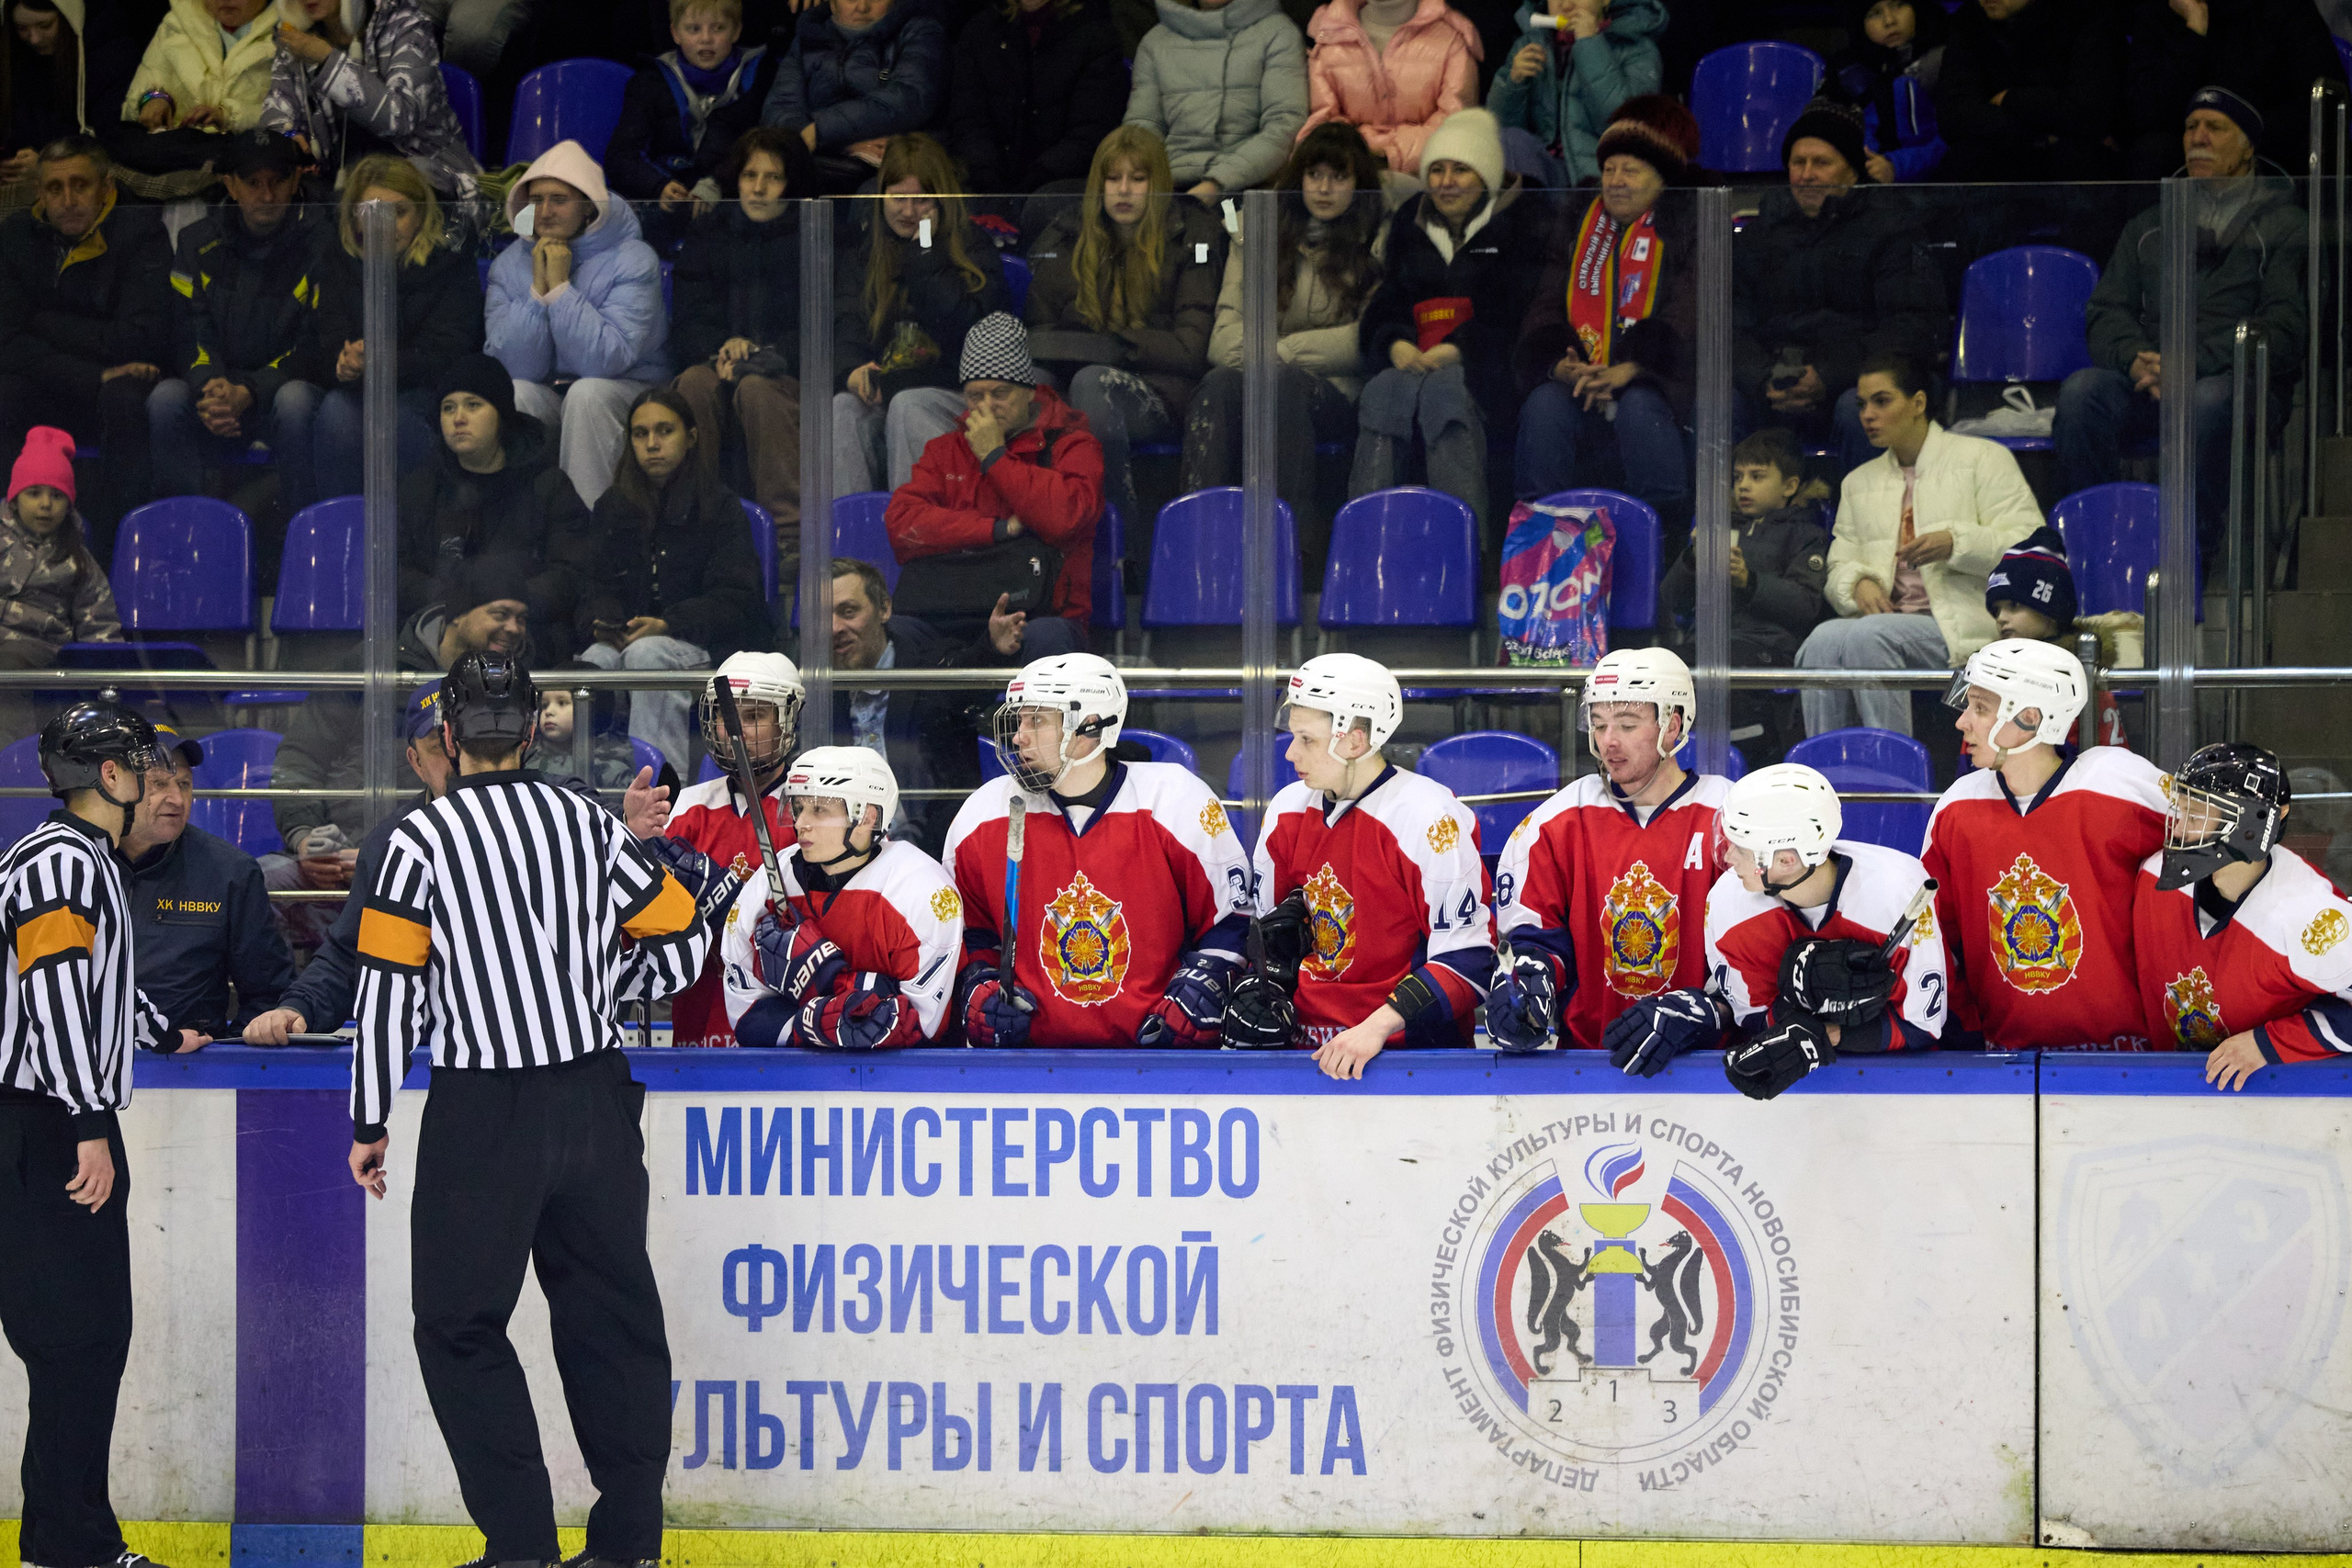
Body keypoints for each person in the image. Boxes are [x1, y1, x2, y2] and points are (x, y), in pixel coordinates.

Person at [347, 655, 706, 1568]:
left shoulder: (418, 843)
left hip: (485, 1111)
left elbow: (388, 993)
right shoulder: (588, 825)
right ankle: (627, 1544)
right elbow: (681, 942)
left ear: (453, 735)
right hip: (594, 1097)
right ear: (533, 725)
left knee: (460, 1325)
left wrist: (369, 1118)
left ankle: (520, 1546)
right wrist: (607, 981)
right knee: (613, 1321)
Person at [1, 703, 202, 1568]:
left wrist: (160, 1031)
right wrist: (87, 1121)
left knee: (84, 1342)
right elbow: (52, 995)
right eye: (138, 768)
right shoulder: (61, 863)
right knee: (77, 1341)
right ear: (110, 778)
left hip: (54, 1116)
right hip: (45, 1121)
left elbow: (92, 985)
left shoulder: (80, 861)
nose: (147, 783)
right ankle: (67, 1543)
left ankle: (69, 1536)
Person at [943, 652, 1255, 1047]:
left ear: (1090, 727)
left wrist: (1199, 989)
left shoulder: (1176, 801)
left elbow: (1231, 923)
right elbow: (969, 935)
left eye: (1036, 721)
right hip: (1028, 1069)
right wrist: (980, 984)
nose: (1018, 736)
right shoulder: (983, 815)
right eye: (1019, 720)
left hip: (1157, 1066)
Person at [2054, 86, 2305, 564]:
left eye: (2215, 127)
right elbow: (2106, 310)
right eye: (2191, 127)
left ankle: (2192, 551)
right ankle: (2093, 546)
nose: (2198, 138)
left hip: (2236, 386)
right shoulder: (2149, 223)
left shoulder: (2286, 225)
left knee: (2207, 401)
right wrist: (2135, 359)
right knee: (2082, 392)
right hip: (2150, 382)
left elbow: (2286, 327)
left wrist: (2191, 365)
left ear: (2248, 146)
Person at [1229, 654, 1494, 1077]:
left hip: (1408, 1061)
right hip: (1306, 1055)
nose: (1291, 752)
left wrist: (1375, 1028)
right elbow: (1264, 934)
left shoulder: (1428, 817)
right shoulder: (1288, 809)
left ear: (1354, 741)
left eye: (1307, 739)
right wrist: (1260, 992)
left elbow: (1470, 959)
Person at [1921, 637, 2167, 1050]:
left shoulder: (2119, 785)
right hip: (2003, 1058)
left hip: (2129, 1059)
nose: (1962, 722)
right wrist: (1965, 1031)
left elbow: (2216, 853)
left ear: (2030, 719)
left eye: (1980, 708)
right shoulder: (1956, 807)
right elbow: (1931, 937)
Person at [1486, 647, 1731, 1053]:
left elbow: (1758, 953)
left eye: (1628, 724)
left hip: (1711, 1068)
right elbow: (1534, 938)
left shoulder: (1730, 817)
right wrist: (1527, 982)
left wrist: (1708, 1012)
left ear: (1673, 726)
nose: (1608, 742)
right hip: (1588, 1063)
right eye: (1599, 725)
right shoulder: (1558, 820)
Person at [1797, 351, 2041, 739]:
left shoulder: (1984, 458)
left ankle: (1893, 777)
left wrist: (1955, 543)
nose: (1867, 415)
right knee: (1820, 642)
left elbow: (2030, 549)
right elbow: (1838, 564)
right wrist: (1857, 584)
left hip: (1968, 622)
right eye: (1862, 405)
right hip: (1889, 625)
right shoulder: (1858, 481)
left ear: (1919, 403)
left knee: (1867, 637)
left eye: (1882, 401)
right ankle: (1825, 772)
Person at [1183, 120, 1382, 575]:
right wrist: (1269, 357)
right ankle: (1199, 551)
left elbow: (1364, 339)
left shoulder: (1377, 238)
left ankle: (1288, 556)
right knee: (1215, 385)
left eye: (1339, 176)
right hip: (1258, 374)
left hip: (1336, 391)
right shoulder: (1254, 231)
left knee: (1286, 382)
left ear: (1360, 183)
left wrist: (1283, 353)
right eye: (1315, 175)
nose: (1325, 188)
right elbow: (1221, 336)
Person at [1691, 762, 1947, 1099]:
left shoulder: (1899, 892)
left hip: (1897, 1096)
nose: (1727, 855)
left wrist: (1821, 1031)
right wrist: (1812, 1024)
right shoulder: (1728, 904)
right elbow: (1753, 1018)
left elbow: (1921, 1026)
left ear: (1785, 861)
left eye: (1740, 846)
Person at [1730, 97, 1949, 476]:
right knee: (1718, 405)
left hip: (1853, 381)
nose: (1807, 174)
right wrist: (1763, 377)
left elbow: (1911, 327)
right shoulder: (1758, 235)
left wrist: (1829, 376)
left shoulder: (1894, 227)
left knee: (1863, 406)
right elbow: (1731, 325)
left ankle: (1874, 526)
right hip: (1774, 388)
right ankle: (1713, 524)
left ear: (1852, 171)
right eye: (1798, 163)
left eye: (1822, 162)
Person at [1023, 125, 1219, 540]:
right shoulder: (1065, 235)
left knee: (1093, 383)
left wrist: (1115, 348)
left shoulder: (1193, 236)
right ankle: (1028, 540)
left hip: (1160, 392)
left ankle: (1113, 539)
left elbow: (1191, 347)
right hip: (1076, 379)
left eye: (1138, 179)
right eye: (1113, 179)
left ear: (1159, 183)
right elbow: (1038, 334)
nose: (1124, 190)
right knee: (1030, 387)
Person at [1511, 95, 1697, 532]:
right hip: (1584, 377)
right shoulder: (1578, 219)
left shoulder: (1684, 222)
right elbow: (1545, 304)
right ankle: (1541, 543)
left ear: (1662, 179)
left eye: (1630, 170)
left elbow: (1689, 310)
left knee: (1639, 407)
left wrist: (1632, 366)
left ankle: (1664, 545)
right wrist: (1560, 364)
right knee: (1544, 406)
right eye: (1609, 169)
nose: (1614, 181)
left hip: (1655, 378)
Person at [1352, 107, 1536, 535]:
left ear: (1486, 176)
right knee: (1381, 389)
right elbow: (1388, 298)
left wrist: (1460, 348)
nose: (1446, 182)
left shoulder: (1519, 222)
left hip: (1488, 372)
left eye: (1460, 170)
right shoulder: (1410, 220)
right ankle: (1366, 536)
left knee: (1446, 390)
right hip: (1415, 364)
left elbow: (1517, 310)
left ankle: (1465, 544)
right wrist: (1393, 342)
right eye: (1436, 170)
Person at [271, 552, 532, 849]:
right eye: (500, 614)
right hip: (346, 843)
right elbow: (301, 757)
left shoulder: (522, 683)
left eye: (521, 619)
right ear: (458, 615)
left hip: (469, 851)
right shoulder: (375, 665)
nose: (514, 628)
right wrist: (305, 834)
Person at [576, 387, 768, 776]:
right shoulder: (612, 506)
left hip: (706, 646)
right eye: (640, 433)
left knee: (649, 657)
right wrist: (605, 621)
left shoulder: (720, 506)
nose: (652, 444)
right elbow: (592, 587)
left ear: (691, 437)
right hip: (630, 643)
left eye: (665, 431)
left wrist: (668, 624)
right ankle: (590, 790)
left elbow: (738, 600)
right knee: (595, 661)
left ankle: (664, 793)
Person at [2133, 744, 2352, 1083]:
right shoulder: (2154, 877)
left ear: (2251, 824)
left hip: (2282, 1105)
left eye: (2195, 816)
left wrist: (2268, 1045)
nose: (2176, 829)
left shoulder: (2308, 914)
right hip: (2168, 1091)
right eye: (2179, 811)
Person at [718, 746, 964, 1047]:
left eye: (819, 809)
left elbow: (921, 1026)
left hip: (902, 1089)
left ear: (867, 817)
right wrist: (848, 1008)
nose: (800, 823)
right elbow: (746, 1016)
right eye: (798, 808)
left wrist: (822, 978)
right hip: (790, 1086)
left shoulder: (921, 890)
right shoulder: (771, 882)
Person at [887, 311, 1103, 653]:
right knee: (895, 634)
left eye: (1000, 393)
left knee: (1048, 637)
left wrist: (995, 456)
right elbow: (902, 525)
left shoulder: (1073, 444)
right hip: (953, 611)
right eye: (975, 396)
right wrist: (997, 530)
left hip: (1040, 614)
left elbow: (1066, 520)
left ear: (1029, 391)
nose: (987, 407)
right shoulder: (945, 451)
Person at [247, 680, 449, 1043]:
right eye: (438, 746)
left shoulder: (546, 819)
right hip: (426, 1045)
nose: (454, 759)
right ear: (415, 762)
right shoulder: (393, 839)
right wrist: (297, 1007)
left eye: (461, 743)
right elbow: (350, 952)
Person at [147, 128, 330, 515]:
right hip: (218, 395)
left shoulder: (322, 243)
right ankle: (187, 534)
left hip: (277, 395)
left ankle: (299, 535)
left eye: (278, 181)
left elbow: (316, 343)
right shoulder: (196, 241)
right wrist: (210, 388)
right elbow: (187, 329)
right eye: (253, 183)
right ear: (230, 185)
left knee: (295, 401)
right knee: (166, 400)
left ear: (296, 180)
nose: (266, 195)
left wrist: (249, 390)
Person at [0, 135, 167, 549]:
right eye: (55, 188)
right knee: (6, 391)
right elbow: (7, 341)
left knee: (124, 396)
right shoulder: (17, 233)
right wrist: (95, 373)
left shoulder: (141, 231)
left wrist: (42, 322)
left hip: (113, 391)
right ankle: (12, 552)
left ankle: (120, 551)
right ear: (40, 193)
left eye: (81, 185)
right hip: (61, 381)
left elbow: (137, 337)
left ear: (106, 187)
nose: (68, 198)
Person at [485, 139, 670, 509]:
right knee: (515, 394)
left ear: (587, 205)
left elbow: (605, 361)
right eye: (536, 200)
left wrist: (562, 290)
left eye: (559, 199)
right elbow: (513, 368)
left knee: (588, 395)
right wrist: (538, 292)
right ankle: (518, 530)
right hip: (552, 390)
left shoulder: (634, 259)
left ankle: (587, 533)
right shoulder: (509, 264)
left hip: (628, 389)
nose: (546, 211)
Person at [831, 133, 1011, 495]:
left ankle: (919, 533)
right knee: (843, 409)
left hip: (955, 394)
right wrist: (850, 371)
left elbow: (968, 336)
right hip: (889, 387)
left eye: (922, 199)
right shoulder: (866, 253)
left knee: (907, 405)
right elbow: (846, 322)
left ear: (942, 200)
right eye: (898, 197)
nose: (909, 211)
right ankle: (849, 543)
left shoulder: (973, 246)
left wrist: (926, 252)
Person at [670, 127, 811, 574]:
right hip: (719, 364)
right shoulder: (710, 234)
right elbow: (687, 321)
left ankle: (790, 539)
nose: (758, 187)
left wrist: (762, 352)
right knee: (692, 384)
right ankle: (692, 522)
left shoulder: (816, 233)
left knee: (756, 390)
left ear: (792, 184)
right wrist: (720, 351)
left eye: (773, 177)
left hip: (787, 374)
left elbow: (824, 325)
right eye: (750, 175)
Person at [307, 153, 485, 500]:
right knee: (335, 414)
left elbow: (450, 352)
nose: (384, 226)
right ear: (355, 219)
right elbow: (324, 341)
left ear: (421, 214)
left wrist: (381, 362)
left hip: (424, 390)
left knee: (401, 421)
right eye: (371, 213)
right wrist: (343, 364)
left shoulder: (449, 259)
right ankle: (344, 531)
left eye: (398, 213)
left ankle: (413, 535)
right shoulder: (337, 259)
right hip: (360, 390)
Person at [654, 650, 806, 1048]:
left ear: (786, 721)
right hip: (697, 1028)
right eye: (727, 716)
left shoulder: (819, 809)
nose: (735, 730)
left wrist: (737, 905)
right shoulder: (684, 808)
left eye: (754, 716)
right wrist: (633, 837)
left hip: (791, 1037)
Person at [117, 722, 295, 1038]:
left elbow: (269, 995)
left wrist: (225, 1060)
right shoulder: (74, 865)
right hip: (81, 1063)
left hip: (190, 1070)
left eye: (184, 784)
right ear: (117, 787)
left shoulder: (230, 871)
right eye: (158, 784)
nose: (176, 798)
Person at [1657, 427, 1828, 757]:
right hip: (1705, 644)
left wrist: (1749, 581)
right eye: (1738, 477)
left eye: (1757, 476)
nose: (1743, 485)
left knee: (1725, 666)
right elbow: (1672, 601)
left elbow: (1805, 605)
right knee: (1663, 665)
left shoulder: (1805, 535)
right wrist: (1691, 559)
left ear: (1789, 486)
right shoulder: (1718, 529)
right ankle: (1675, 754)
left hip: (1766, 649)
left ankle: (1740, 754)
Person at [395, 354, 593, 624]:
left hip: (526, 634)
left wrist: (508, 604)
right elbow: (394, 573)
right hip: (441, 632)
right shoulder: (421, 488)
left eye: (473, 405)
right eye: (448, 408)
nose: (458, 418)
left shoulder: (547, 485)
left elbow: (571, 573)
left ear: (502, 416)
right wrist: (450, 602)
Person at [825, 556, 1001, 853]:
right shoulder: (816, 692)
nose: (834, 627)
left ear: (884, 609)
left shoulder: (928, 672)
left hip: (929, 850)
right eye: (821, 617)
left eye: (848, 611)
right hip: (841, 852)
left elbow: (965, 693)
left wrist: (993, 649)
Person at [260, 0, 480, 197]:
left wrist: (328, 61)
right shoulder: (300, 38)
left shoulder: (407, 24)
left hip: (427, 177)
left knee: (400, 185)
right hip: (342, 187)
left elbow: (399, 119)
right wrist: (289, 138)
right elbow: (277, 114)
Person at [2120, 0, 2339, 180]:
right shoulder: (2159, 11)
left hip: (2266, 141)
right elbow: (2146, 112)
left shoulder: (2282, 7)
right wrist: (2194, 32)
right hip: (2187, 143)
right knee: (2151, 153)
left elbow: (2327, 97)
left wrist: (2242, 133)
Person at [605, 0, 776, 226]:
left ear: (736, 31)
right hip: (666, 208)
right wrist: (659, 186)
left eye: (718, 28)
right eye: (694, 29)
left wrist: (718, 183)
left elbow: (772, 152)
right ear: (675, 33)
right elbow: (620, 157)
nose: (706, 39)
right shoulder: (650, 82)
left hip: (735, 206)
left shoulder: (761, 77)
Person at [0, 425, 119, 740]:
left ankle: (13, 761)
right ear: (14, 500)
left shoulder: (76, 558)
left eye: (57, 495)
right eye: (34, 493)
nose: (45, 504)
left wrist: (109, 678)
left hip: (39, 649)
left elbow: (100, 623)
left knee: (7, 666)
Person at [759, 0, 948, 194]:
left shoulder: (920, 30)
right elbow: (780, 108)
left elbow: (909, 98)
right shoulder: (809, 36)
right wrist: (836, 140)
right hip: (819, 158)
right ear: (832, 3)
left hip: (895, 161)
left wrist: (821, 131)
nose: (862, 7)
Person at [943, 0, 1127, 198]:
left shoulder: (1096, 35)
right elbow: (969, 119)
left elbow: (1091, 130)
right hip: (986, 182)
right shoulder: (980, 31)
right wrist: (984, 171)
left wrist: (1042, 174)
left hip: (1063, 187)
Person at [1124, 0, 1306, 198]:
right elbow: (1141, 128)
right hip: (1167, 190)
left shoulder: (1278, 32)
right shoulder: (1155, 42)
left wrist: (1216, 184)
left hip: (1249, 190)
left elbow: (1284, 124)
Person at [1934, 0, 2123, 183]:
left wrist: (2010, 99)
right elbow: (1953, 114)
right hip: (2009, 144)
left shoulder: (2085, 12)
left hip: (2074, 156)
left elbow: (2088, 110)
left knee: (2079, 160)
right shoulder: (1969, 20)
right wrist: (2037, 137)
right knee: (1966, 159)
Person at [1485, 0, 1662, 189]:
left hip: (1602, 177)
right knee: (1511, 139)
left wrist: (1590, 44)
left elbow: (1625, 129)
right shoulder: (1530, 44)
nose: (1566, 4)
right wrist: (1513, 84)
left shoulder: (1636, 48)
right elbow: (1499, 132)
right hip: (1543, 175)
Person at [1981, 525, 2131, 747]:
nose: (2001, 618)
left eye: (2013, 606)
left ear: (2050, 612)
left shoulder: (2081, 680)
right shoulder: (1990, 673)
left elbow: (2103, 765)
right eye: (1997, 610)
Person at [1297, 0, 1479, 179]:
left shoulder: (1452, 39)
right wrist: (1366, 156)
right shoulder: (1327, 35)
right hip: (1349, 183)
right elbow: (1322, 124)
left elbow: (1455, 124)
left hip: (1431, 183)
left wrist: (1387, 155)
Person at [1, 0, 143, 182]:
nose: (34, 38)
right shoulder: (18, 57)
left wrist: (47, 164)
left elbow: (116, 140)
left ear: (70, 18)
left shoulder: (114, 55)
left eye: (45, 25)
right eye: (22, 28)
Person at [1824, 0, 1948, 183]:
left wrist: (1896, 166)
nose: (1889, 21)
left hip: (1939, 185)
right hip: (1866, 187)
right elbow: (1818, 129)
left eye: (1898, 5)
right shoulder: (1846, 69)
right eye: (1875, 13)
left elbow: (1955, 138)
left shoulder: (1945, 60)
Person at [122, 0, 281, 140]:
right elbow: (137, 97)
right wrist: (153, 99)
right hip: (175, 151)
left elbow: (291, 117)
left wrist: (227, 116)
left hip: (249, 159)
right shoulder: (177, 23)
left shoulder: (290, 35)